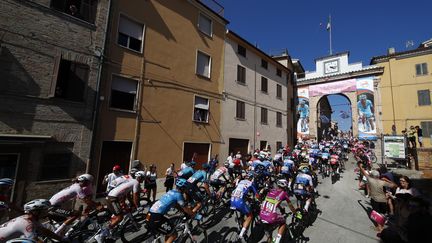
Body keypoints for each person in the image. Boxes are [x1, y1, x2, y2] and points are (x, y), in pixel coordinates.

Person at [96, 171, 146, 242]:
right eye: (143, 179)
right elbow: (136, 196)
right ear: (140, 177)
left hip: (111, 196)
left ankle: (110, 230)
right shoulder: (136, 183)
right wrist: (138, 206)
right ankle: (101, 235)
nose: (143, 181)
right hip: (113, 198)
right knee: (120, 217)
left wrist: (132, 203)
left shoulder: (130, 180)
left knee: (118, 213)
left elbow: (128, 195)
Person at [147, 178, 198, 243]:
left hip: (150, 214)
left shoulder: (171, 191)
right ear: (182, 188)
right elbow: (184, 207)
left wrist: (182, 211)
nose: (186, 190)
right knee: (174, 234)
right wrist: (194, 214)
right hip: (156, 217)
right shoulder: (178, 195)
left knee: (170, 230)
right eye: (185, 188)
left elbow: (175, 205)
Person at [230, 173, 259, 240]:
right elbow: (257, 195)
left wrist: (247, 197)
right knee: (250, 215)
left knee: (242, 210)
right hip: (239, 202)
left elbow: (239, 191)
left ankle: (240, 221)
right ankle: (241, 235)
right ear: (252, 178)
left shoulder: (241, 181)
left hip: (232, 200)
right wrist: (260, 201)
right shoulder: (251, 183)